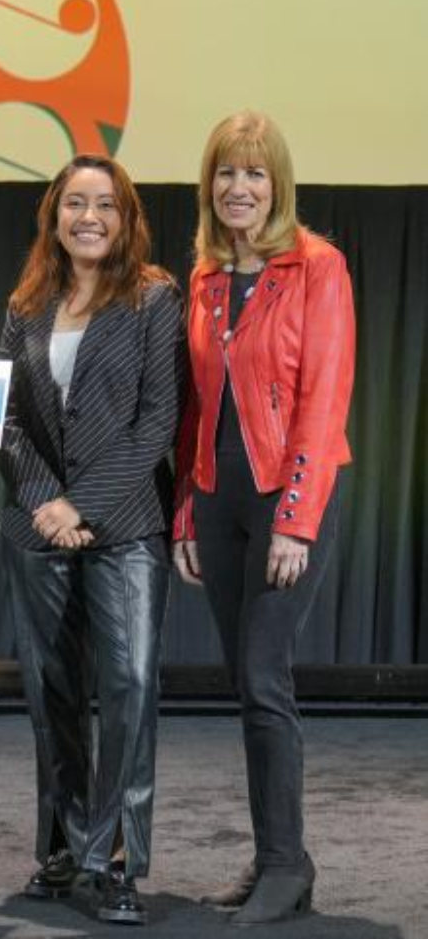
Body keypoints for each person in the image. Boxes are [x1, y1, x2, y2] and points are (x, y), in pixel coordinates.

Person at [172, 111, 355, 925]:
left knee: (264, 679)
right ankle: (278, 855)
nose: (237, 188)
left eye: (253, 174)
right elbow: (196, 407)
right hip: (217, 499)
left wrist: (295, 518)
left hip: (286, 495)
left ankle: (286, 863)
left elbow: (323, 399)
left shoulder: (318, 267)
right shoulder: (207, 276)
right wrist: (184, 507)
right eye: (224, 173)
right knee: (245, 682)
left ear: (276, 184)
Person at [0, 154, 185, 925]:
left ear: (125, 216)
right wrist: (48, 502)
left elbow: (155, 424)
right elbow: (4, 419)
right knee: (54, 695)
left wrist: (84, 504)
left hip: (126, 525)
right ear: (54, 214)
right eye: (74, 203)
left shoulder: (152, 296)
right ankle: (62, 848)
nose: (88, 217)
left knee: (130, 689)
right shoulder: (25, 302)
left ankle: (116, 861)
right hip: (39, 528)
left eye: (103, 205)